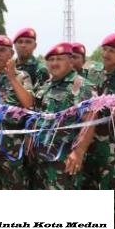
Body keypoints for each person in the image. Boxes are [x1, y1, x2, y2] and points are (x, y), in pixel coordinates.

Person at [31, 42, 96, 190]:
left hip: (64, 159)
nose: (54, 63)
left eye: (59, 59)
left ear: (70, 60)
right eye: (51, 59)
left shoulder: (82, 86)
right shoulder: (46, 85)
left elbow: (90, 121)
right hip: (41, 158)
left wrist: (79, 151)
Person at [86, 33, 115, 229]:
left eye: (113, 50)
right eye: (105, 49)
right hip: (93, 140)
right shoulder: (93, 75)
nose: (107, 54)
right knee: (93, 185)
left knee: (112, 187)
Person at [0, 35, 34, 190]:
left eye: (2, 50)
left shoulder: (21, 75)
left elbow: (28, 102)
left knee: (13, 186)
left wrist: (11, 78)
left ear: (11, 54)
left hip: (13, 144)